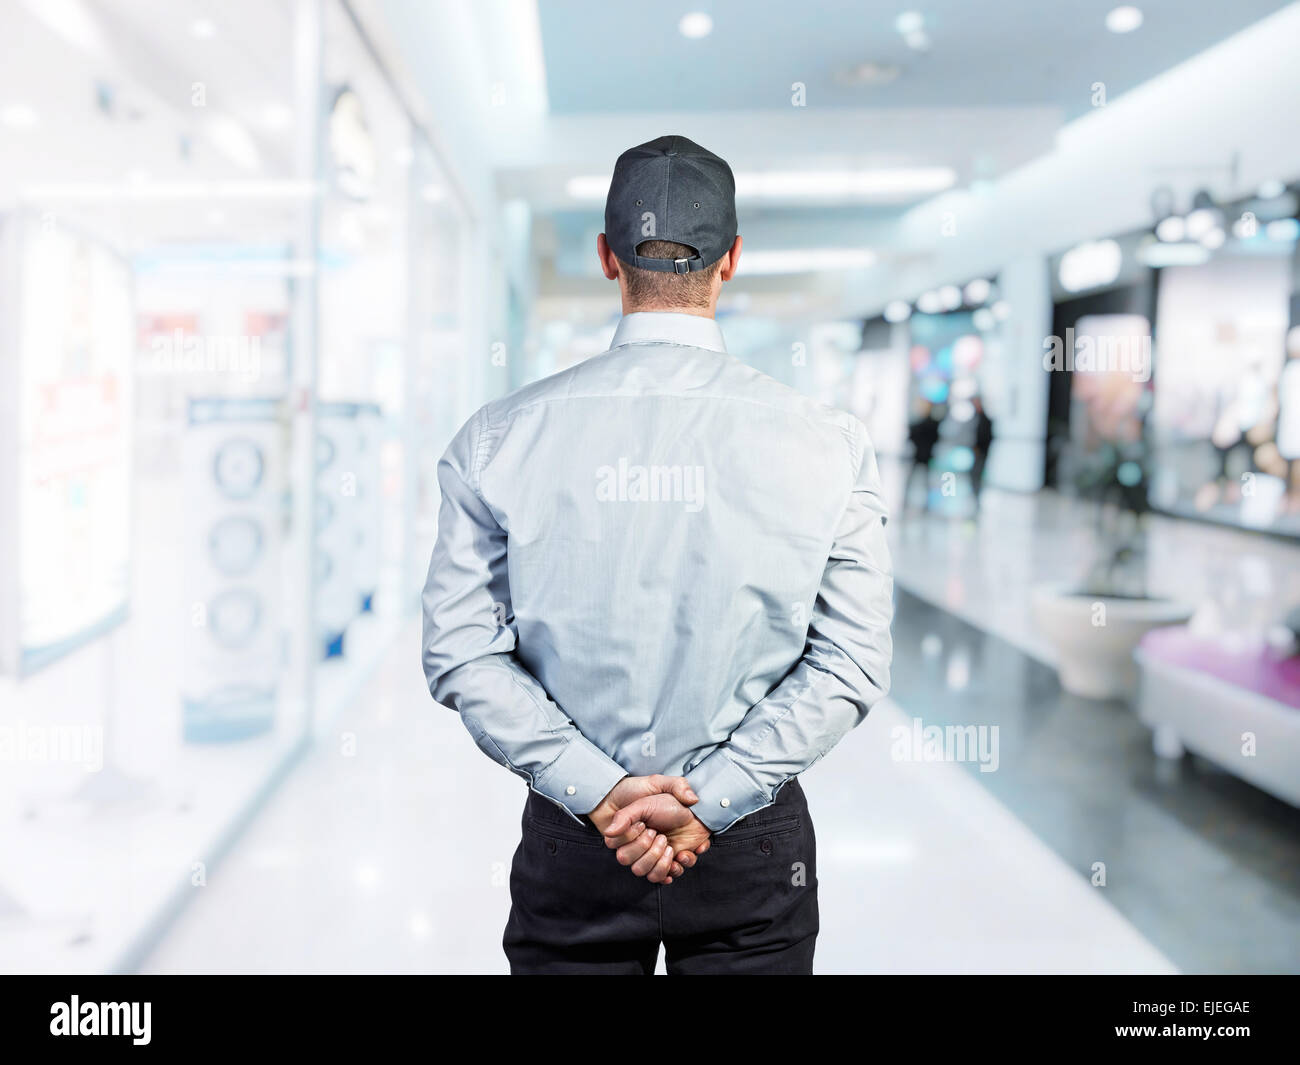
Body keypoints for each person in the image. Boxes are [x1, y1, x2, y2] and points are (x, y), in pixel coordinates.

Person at [421, 135, 894, 975]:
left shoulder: (497, 438)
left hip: (575, 838)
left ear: (606, 256)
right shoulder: (829, 443)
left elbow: (462, 651)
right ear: (732, 259)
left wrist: (601, 793)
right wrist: (708, 802)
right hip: (753, 844)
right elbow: (850, 660)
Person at [905, 399, 939, 511]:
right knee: (915, 479)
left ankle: (926, 502)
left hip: (924, 455)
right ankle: (908, 498)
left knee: (924, 480)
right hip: (921, 455)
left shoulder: (929, 423)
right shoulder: (929, 423)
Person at [970, 395, 994, 512]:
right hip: (977, 452)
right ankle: (974, 496)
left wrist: (979, 449)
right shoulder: (977, 417)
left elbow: (987, 437)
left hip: (981, 453)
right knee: (974, 475)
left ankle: (977, 498)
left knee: (977, 475)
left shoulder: (985, 419)